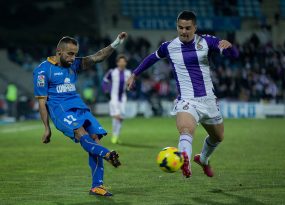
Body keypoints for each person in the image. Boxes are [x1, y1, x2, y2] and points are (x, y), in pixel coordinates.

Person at [127, 11, 238, 178]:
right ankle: (184, 160)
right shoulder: (169, 46)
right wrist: (135, 73)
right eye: (180, 27)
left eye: (188, 28)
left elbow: (233, 56)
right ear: (177, 27)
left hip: (208, 100)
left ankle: (203, 159)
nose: (184, 31)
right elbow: (151, 58)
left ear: (195, 28)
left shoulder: (206, 41)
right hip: (187, 100)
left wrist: (230, 47)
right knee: (186, 130)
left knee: (218, 137)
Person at [33, 32, 127, 196]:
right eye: (70, 54)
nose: (72, 58)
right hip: (60, 110)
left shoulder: (74, 64)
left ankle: (97, 186)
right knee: (80, 133)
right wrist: (46, 128)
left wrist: (116, 42)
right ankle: (106, 153)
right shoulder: (42, 70)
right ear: (59, 51)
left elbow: (97, 57)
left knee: (95, 138)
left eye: (75, 54)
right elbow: (42, 101)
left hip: (79, 106)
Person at [102, 54, 131, 144]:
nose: (122, 63)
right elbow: (104, 81)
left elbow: (132, 84)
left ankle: (116, 135)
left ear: (126, 63)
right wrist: (106, 91)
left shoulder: (128, 73)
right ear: (117, 63)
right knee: (117, 116)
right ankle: (115, 136)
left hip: (123, 98)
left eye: (124, 61)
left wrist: (131, 87)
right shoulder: (112, 72)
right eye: (120, 61)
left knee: (120, 118)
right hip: (114, 97)